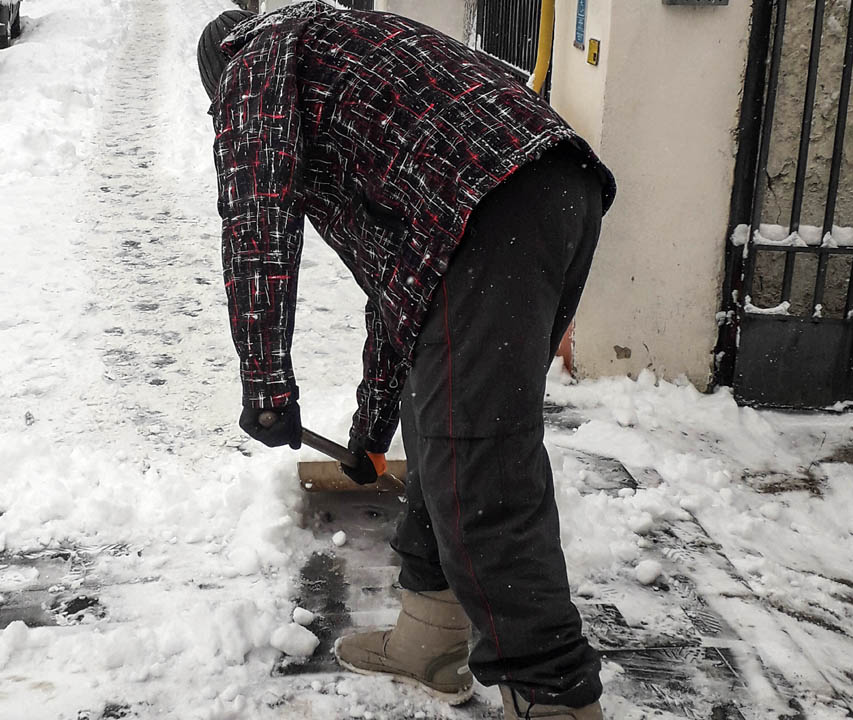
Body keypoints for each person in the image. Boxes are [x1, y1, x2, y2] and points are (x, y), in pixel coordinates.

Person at [199, 3, 616, 718]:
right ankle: (432, 635)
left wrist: (267, 384)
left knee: (479, 459)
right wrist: (370, 434)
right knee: (445, 424)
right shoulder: (339, 54)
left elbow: (258, 223)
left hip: (495, 204)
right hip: (546, 189)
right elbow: (398, 286)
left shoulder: (253, 62)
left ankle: (552, 696)